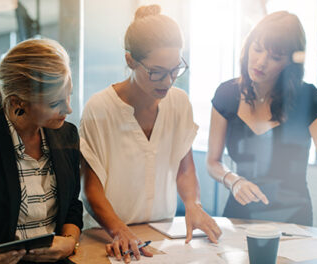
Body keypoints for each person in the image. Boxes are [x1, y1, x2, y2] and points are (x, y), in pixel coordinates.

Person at [80, 4, 221, 263]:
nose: (167, 82)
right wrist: (119, 230)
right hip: (108, 234)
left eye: (175, 70)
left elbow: (185, 167)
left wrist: (193, 204)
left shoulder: (179, 103)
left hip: (160, 232)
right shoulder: (99, 108)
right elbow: (91, 189)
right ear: (130, 60)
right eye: (156, 72)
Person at [207, 11, 317, 232]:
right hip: (239, 218)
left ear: (290, 62)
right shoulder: (226, 94)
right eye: (257, 49)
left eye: (275, 57)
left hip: (293, 221)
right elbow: (213, 162)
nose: (261, 62)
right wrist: (233, 180)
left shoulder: (310, 100)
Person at [0, 39, 83, 264]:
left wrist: (69, 241)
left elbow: (73, 204)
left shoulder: (67, 135)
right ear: (19, 102)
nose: (68, 109)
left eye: (69, 95)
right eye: (55, 103)